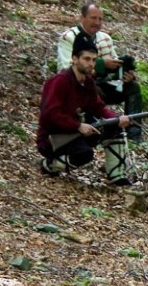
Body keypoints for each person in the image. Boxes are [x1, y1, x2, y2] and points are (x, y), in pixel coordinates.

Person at [37, 36, 133, 184]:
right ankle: (49, 165)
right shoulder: (60, 81)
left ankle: (117, 175)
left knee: (114, 127)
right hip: (54, 137)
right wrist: (78, 126)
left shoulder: (88, 82)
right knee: (84, 155)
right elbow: (50, 114)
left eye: (94, 60)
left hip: (76, 132)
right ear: (75, 59)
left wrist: (116, 119)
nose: (91, 63)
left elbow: (98, 107)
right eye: (86, 59)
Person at [55, 2, 143, 142]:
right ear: (82, 18)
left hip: (101, 84)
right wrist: (102, 65)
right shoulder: (69, 37)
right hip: (76, 87)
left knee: (132, 88)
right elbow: (68, 69)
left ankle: (133, 134)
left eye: (100, 19)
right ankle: (99, 131)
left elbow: (113, 69)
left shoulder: (105, 38)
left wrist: (124, 74)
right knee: (94, 90)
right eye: (93, 18)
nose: (97, 22)